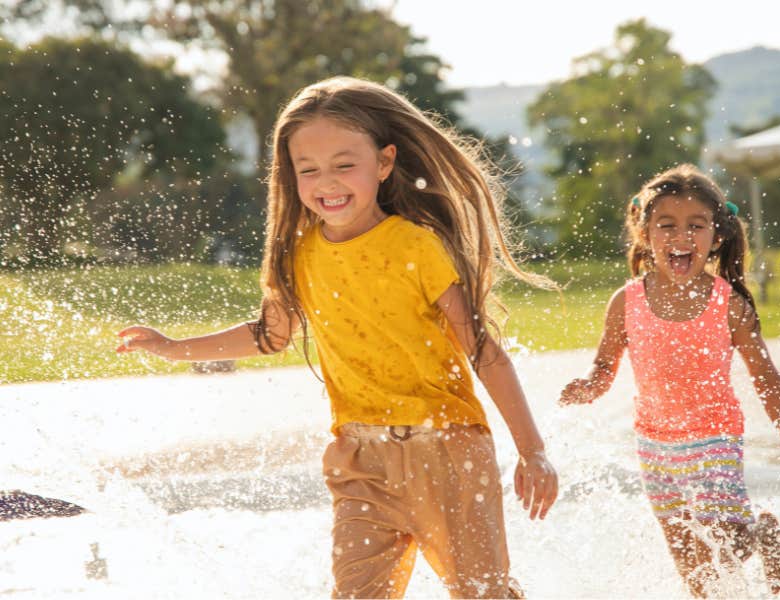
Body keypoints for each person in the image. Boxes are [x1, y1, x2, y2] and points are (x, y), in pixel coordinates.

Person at [117, 76, 558, 599]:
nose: (328, 182)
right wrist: (173, 347)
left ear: (385, 163)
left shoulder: (415, 246)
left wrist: (533, 452)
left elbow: (484, 352)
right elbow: (269, 336)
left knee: (483, 594)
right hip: (359, 461)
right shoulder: (298, 253)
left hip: (449, 455)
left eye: (345, 165)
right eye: (309, 170)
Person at [558, 164, 780, 597]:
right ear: (645, 234)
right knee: (694, 572)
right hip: (654, 446)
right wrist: (589, 386)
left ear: (716, 237)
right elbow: (605, 365)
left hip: (714, 437)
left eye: (695, 226)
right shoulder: (626, 301)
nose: (681, 237)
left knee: (726, 543)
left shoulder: (729, 305)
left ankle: (758, 534)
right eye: (666, 226)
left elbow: (767, 379)